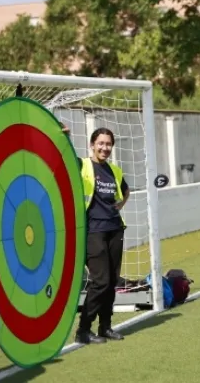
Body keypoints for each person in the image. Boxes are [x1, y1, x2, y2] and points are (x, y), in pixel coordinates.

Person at [73, 128, 130, 345]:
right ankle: (83, 330)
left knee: (112, 281)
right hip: (92, 231)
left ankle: (105, 326)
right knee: (100, 281)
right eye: (101, 143)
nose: (105, 148)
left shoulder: (114, 170)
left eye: (108, 144)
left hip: (115, 229)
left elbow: (126, 191)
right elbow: (63, 157)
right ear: (92, 144)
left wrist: (120, 205)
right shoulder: (83, 165)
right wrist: (63, 134)